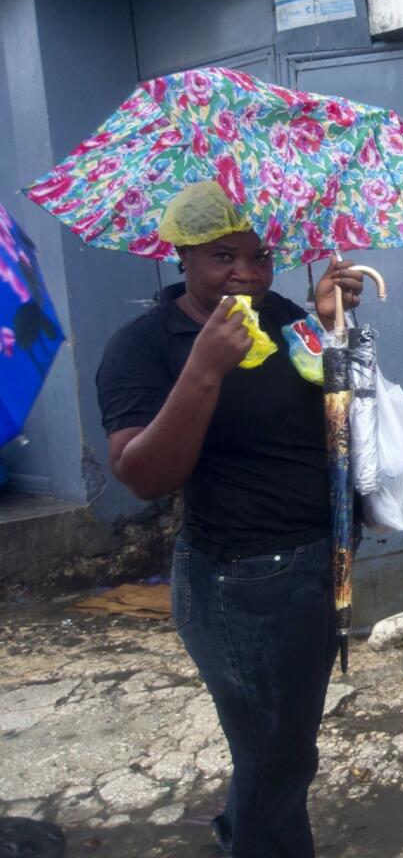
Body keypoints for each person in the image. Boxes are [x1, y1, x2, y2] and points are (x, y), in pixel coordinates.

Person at [96, 182, 365, 858]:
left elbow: (332, 401)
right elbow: (143, 475)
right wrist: (202, 373)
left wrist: (331, 326)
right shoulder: (146, 345)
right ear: (181, 256)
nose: (245, 273)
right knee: (279, 761)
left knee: (279, 750)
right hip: (242, 587)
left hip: (313, 566)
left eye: (259, 254)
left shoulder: (276, 313)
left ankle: (241, 832)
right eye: (223, 257)